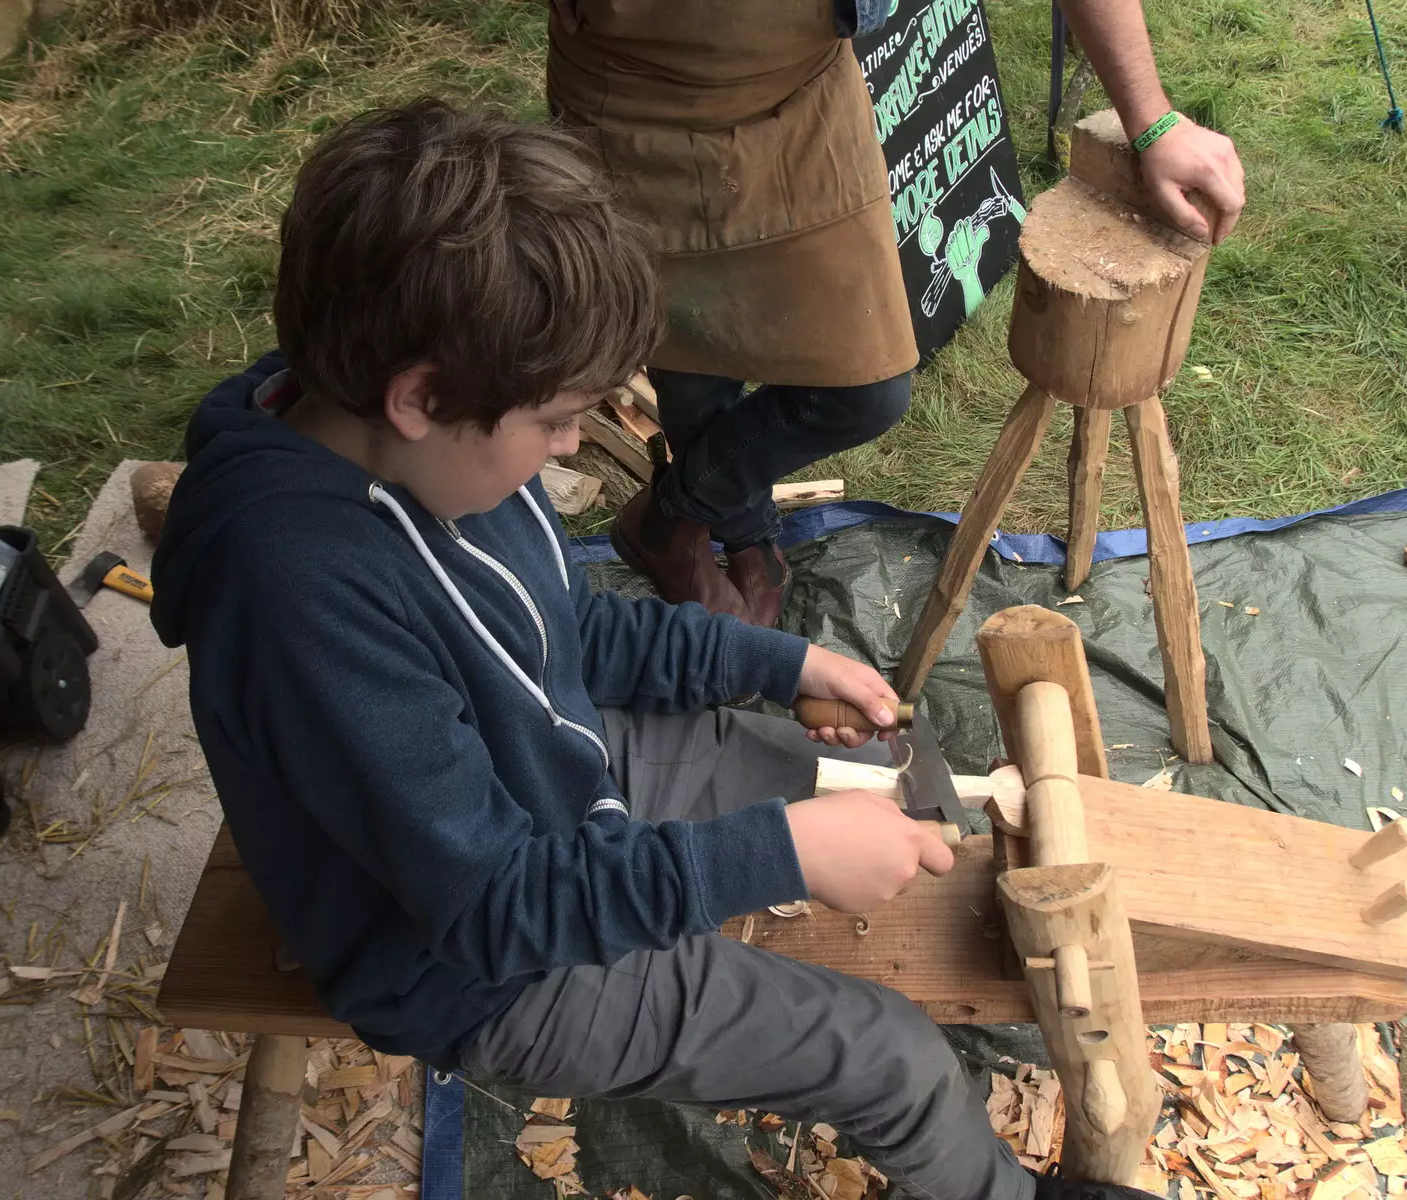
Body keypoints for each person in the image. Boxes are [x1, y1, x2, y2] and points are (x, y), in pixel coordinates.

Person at [151, 101, 1168, 1200]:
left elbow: (557, 626)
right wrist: (774, 856)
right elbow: (494, 905)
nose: (564, 455)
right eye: (557, 426)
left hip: (545, 785)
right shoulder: (297, 597)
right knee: (891, 1057)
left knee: (885, 781)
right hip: (476, 965)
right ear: (420, 398)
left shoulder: (413, 442)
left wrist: (773, 668)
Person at [545, 0, 1245, 628]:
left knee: (865, 390)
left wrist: (1149, 119)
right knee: (697, 366)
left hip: (801, 100)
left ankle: (674, 516)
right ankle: (741, 526)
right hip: (643, 102)